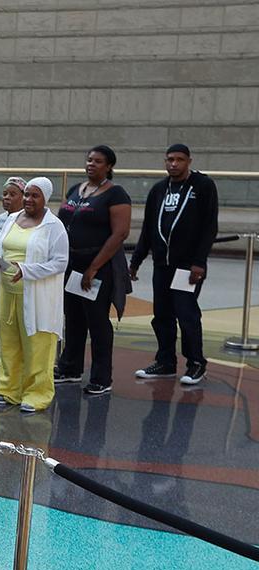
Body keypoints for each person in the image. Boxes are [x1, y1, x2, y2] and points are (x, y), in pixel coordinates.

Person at [130, 143, 219, 385]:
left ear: (189, 161)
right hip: (162, 265)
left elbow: (209, 226)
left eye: (179, 159)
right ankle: (166, 362)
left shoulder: (202, 186)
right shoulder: (159, 189)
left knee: (186, 314)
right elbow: (148, 229)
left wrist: (199, 262)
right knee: (162, 315)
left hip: (188, 267)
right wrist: (136, 261)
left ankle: (196, 363)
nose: (174, 164)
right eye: (170, 159)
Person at [0, 177, 69, 413]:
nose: (29, 199)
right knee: (8, 344)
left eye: (35, 195)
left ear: (45, 199)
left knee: (37, 345)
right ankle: (8, 389)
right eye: (27, 195)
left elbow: (60, 262)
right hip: (7, 292)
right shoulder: (11, 219)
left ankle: (36, 394)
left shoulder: (54, 226)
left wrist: (26, 270)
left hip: (37, 297)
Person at [54, 145, 133, 396]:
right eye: (89, 160)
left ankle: (101, 376)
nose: (91, 164)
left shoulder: (116, 194)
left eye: (98, 161)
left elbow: (120, 233)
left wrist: (94, 267)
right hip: (72, 264)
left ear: (109, 166)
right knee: (73, 317)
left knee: (97, 322)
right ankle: (70, 368)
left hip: (99, 266)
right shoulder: (75, 189)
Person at [0, 177, 26, 392]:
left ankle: (18, 374)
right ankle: (3, 372)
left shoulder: (28, 220)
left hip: (14, 280)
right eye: (5, 194)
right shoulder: (1, 219)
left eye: (12, 194)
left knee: (15, 329)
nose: (7, 198)